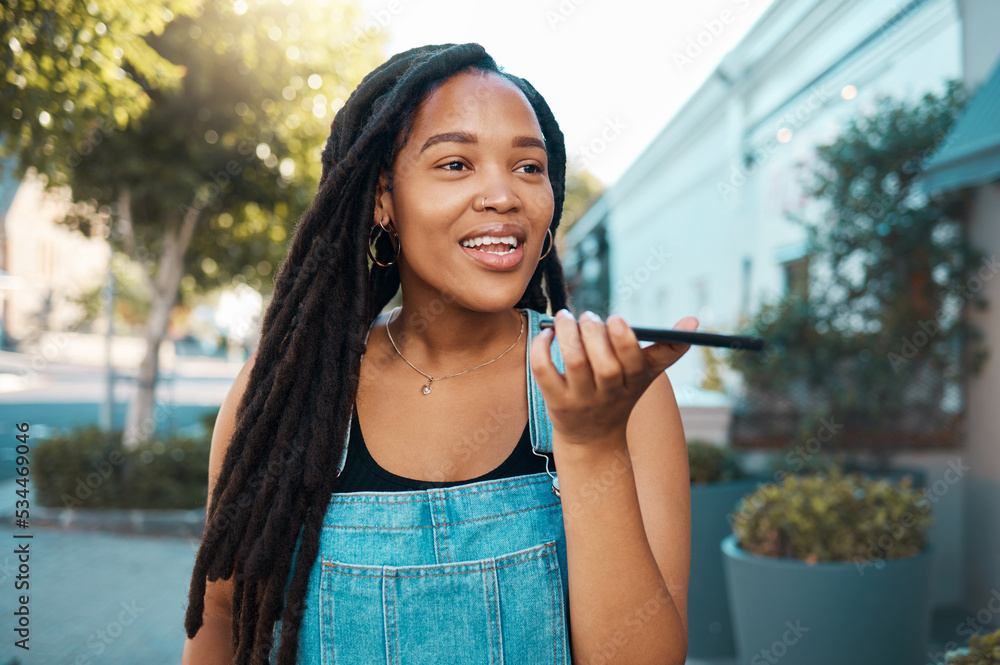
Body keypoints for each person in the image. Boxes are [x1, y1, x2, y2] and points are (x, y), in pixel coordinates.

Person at [182, 42, 695, 665]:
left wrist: (590, 443)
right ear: (382, 199)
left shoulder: (621, 391)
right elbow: (218, 625)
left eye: (529, 168)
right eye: (456, 164)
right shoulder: (285, 395)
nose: (503, 195)